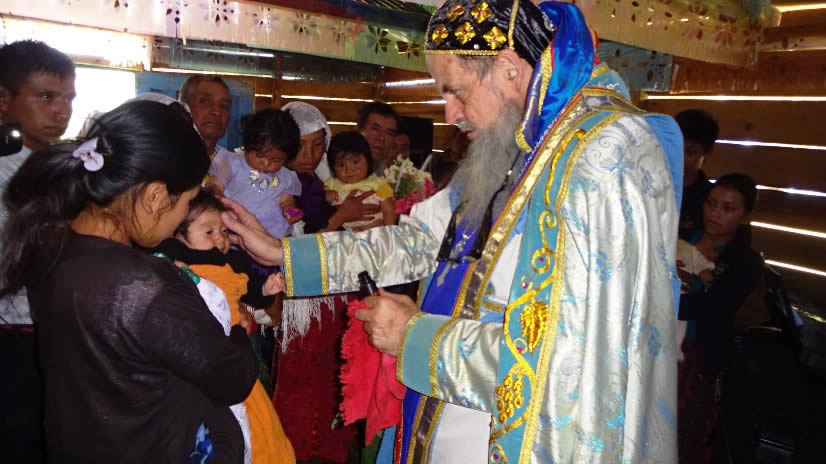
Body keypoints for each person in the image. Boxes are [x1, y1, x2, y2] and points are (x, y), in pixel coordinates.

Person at [221, 1, 684, 462]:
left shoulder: (603, 155)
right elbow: (420, 239)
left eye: (456, 91)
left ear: (508, 68)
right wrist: (282, 253)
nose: (449, 115)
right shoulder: (519, 137)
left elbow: (573, 368)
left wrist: (415, 338)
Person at [0, 100, 258, 462]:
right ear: (155, 196)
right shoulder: (147, 288)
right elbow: (232, 379)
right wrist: (240, 332)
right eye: (187, 203)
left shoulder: (52, 247)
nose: (181, 217)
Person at [154, 189, 295, 464]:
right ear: (178, 233)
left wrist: (267, 289)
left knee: (254, 422)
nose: (219, 239)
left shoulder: (233, 263)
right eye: (208, 232)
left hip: (233, 353)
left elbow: (252, 294)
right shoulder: (171, 258)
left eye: (223, 231)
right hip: (199, 354)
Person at [0, 39, 75, 461]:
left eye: (68, 99)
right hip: (15, 334)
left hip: (62, 328)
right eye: (46, 97)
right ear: (4, 100)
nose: (61, 111)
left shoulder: (65, 167)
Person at [275, 102, 363, 463]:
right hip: (299, 301)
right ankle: (292, 450)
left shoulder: (320, 184)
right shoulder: (279, 185)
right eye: (300, 146)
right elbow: (298, 245)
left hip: (330, 296)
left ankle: (328, 449)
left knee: (330, 374)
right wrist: (340, 218)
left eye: (317, 145)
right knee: (299, 379)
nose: (309, 156)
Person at [677, 173, 763, 464]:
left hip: (697, 356)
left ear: (745, 216)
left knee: (681, 430)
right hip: (655, 343)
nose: (715, 213)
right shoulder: (681, 238)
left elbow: (713, 308)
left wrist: (660, 303)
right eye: (711, 203)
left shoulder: (744, 262)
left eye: (728, 208)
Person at [207, 108, 302, 239]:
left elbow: (286, 200)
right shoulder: (232, 163)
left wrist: (289, 210)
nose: (266, 163)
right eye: (259, 155)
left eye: (276, 160)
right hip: (237, 232)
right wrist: (221, 201)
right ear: (248, 145)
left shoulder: (287, 176)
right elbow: (214, 186)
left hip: (275, 237)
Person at [324, 131, 396, 231]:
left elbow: (389, 210)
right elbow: (322, 201)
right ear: (332, 168)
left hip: (374, 230)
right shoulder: (332, 183)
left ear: (368, 161)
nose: (349, 170)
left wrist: (389, 232)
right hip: (345, 234)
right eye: (341, 165)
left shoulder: (377, 183)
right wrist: (327, 196)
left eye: (355, 162)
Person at [676, 109, 719, 239]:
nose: (679, 157)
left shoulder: (712, 200)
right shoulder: (648, 186)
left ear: (706, 154)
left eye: (690, 152)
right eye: (675, 148)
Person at [180, 75, 233, 161]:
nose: (217, 112)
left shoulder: (239, 166)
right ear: (183, 108)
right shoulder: (161, 161)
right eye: (204, 101)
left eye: (224, 106)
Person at [357, 102, 399, 175]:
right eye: (375, 129)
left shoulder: (388, 175)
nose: (382, 138)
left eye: (389, 133)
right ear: (359, 131)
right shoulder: (338, 170)